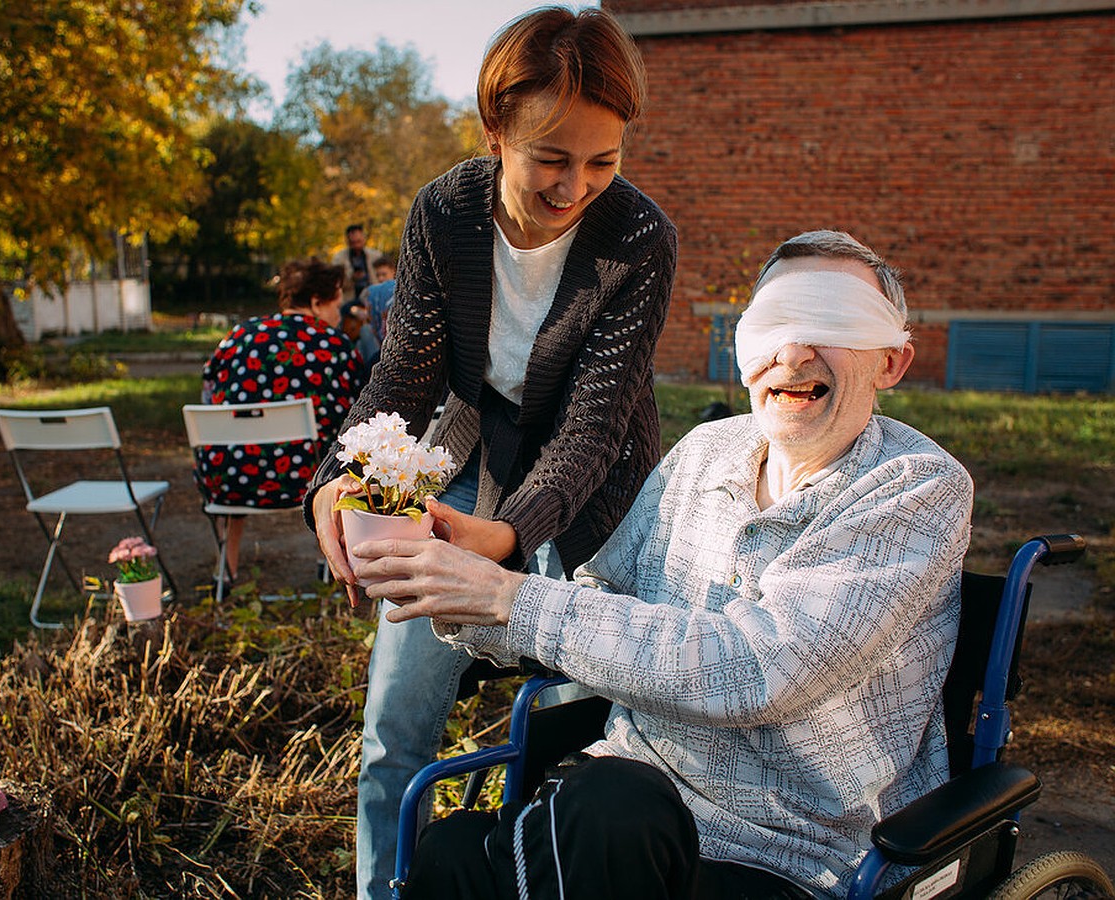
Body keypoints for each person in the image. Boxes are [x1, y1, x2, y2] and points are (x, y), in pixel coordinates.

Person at [352, 230, 975, 899]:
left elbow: (761, 670)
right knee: (449, 851)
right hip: (612, 808)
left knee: (609, 810)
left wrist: (511, 600)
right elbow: (605, 592)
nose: (792, 353)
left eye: (830, 322)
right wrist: (464, 588)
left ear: (892, 362)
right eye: (773, 323)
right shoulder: (706, 452)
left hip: (787, 854)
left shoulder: (915, 487)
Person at [303, 8, 677, 898]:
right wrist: (336, 483)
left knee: (566, 738)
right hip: (466, 465)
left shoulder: (638, 239)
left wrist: (505, 540)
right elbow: (404, 375)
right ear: (495, 129)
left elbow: (591, 429)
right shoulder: (445, 212)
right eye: (550, 156)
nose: (574, 185)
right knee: (395, 730)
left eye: (602, 160)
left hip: (596, 499)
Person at [197, 257, 363, 585]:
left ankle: (226, 570)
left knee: (233, 450)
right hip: (306, 481)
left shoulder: (238, 336)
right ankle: (329, 562)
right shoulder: (335, 347)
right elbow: (356, 415)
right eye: (336, 305)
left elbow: (208, 393)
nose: (338, 315)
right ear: (316, 303)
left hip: (229, 480)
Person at [332, 224, 383, 300]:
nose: (356, 245)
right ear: (347, 242)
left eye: (358, 241)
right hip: (349, 299)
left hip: (374, 297)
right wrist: (351, 278)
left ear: (364, 239)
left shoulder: (376, 256)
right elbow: (337, 284)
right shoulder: (339, 259)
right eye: (353, 243)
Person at [361, 255, 396, 344]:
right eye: (378, 275)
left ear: (394, 271)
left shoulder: (398, 289)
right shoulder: (373, 293)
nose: (381, 278)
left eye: (384, 274)